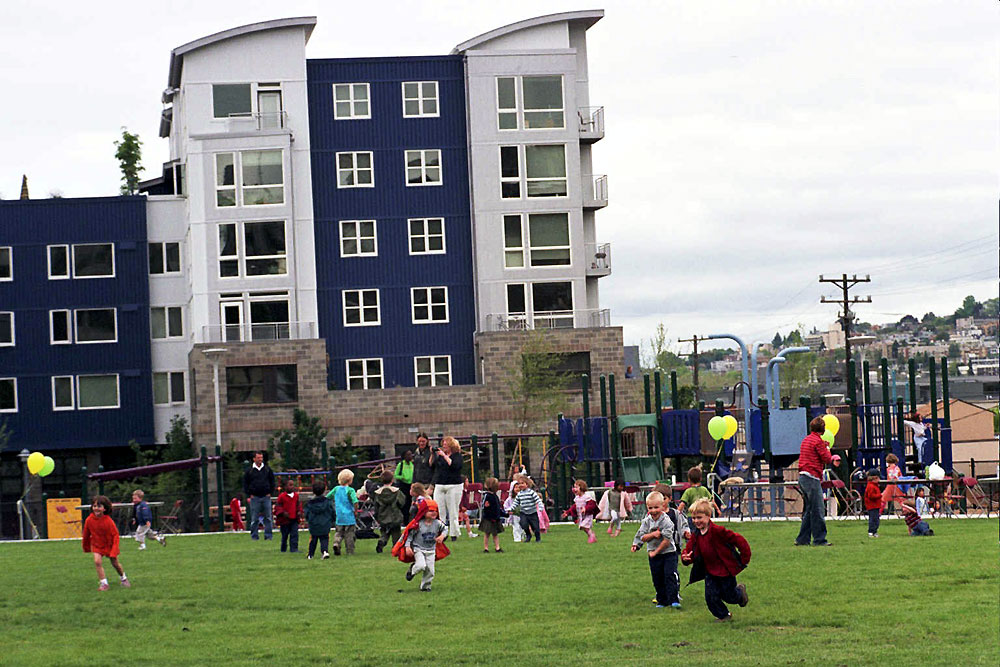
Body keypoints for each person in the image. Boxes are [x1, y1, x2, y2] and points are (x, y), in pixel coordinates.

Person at [680, 498, 751, 621]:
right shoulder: (695, 536)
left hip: (725, 570)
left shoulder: (718, 531)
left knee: (729, 596)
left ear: (708, 516)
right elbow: (689, 550)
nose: (696, 521)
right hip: (710, 572)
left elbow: (738, 540)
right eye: (694, 518)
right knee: (711, 596)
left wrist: (744, 558)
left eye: (699, 517)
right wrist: (685, 558)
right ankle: (724, 615)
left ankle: (740, 594)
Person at [795, 416, 841, 547]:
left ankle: (802, 539)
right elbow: (827, 459)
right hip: (812, 477)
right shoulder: (818, 441)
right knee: (818, 510)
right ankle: (819, 539)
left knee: (810, 509)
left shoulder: (806, 440)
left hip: (803, 477)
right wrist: (828, 449)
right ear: (823, 428)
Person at [631, 491, 679, 609]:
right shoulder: (647, 521)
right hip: (654, 555)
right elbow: (642, 535)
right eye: (650, 508)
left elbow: (666, 541)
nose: (653, 511)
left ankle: (673, 600)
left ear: (663, 506)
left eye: (656, 507)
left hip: (668, 553)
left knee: (669, 575)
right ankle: (662, 600)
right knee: (657, 577)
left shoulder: (667, 522)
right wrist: (637, 544)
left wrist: (655, 552)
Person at [399, 499, 449, 592]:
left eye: (435, 511)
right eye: (430, 511)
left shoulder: (437, 523)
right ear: (424, 511)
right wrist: (407, 547)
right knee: (421, 566)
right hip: (419, 549)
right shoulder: (418, 524)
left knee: (430, 570)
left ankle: (425, 587)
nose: (433, 513)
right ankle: (412, 571)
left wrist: (442, 536)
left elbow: (445, 529)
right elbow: (409, 536)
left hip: (431, 550)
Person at [83, 495, 130, 591]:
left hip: (109, 545)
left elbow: (115, 535)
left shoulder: (108, 521)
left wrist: (114, 550)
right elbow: (86, 534)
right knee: (97, 562)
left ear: (104, 508)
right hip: (97, 545)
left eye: (99, 506)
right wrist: (86, 546)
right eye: (94, 506)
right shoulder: (89, 520)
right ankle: (104, 583)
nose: (96, 508)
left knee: (115, 563)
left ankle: (123, 578)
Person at [431, 436, 465, 541]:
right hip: (440, 484)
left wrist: (445, 456)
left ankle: (454, 533)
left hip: (453, 485)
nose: (444, 446)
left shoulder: (457, 456)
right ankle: (442, 533)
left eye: (446, 444)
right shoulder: (440, 456)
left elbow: (454, 466)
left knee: (453, 510)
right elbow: (432, 465)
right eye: (443, 444)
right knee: (439, 510)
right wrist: (433, 454)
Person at [243, 451, 276, 541]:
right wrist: (249, 494)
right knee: (254, 518)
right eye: (258, 458)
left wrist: (270, 492)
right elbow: (245, 484)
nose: (260, 459)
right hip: (255, 497)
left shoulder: (267, 470)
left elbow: (272, 481)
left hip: (266, 496)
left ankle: (268, 536)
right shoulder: (249, 471)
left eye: (261, 458)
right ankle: (254, 536)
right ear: (254, 459)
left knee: (268, 518)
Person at [327, 469, 359, 556]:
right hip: (349, 516)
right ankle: (350, 551)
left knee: (339, 532)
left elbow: (327, 497)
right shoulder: (350, 490)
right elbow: (355, 501)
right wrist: (355, 510)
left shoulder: (336, 489)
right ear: (349, 480)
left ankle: (336, 543)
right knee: (349, 535)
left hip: (339, 515)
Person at [373, 469, 405, 553]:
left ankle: (382, 541)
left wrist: (377, 516)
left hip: (383, 516)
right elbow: (402, 502)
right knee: (396, 534)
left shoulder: (378, 493)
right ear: (392, 479)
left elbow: (376, 506)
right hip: (395, 516)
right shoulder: (397, 492)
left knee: (384, 533)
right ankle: (396, 547)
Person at [304, 481, 334, 560]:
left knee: (313, 539)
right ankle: (324, 551)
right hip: (325, 523)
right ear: (324, 490)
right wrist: (333, 519)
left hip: (314, 524)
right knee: (324, 538)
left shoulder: (310, 504)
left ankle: (310, 554)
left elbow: (306, 513)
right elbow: (332, 511)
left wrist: (309, 520)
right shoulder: (328, 502)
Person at [274, 479, 302, 553]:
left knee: (294, 534)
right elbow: (278, 506)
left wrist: (299, 511)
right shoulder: (282, 496)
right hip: (285, 520)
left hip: (294, 519)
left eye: (293, 485)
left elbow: (298, 505)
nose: (292, 487)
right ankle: (283, 548)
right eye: (290, 485)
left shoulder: (296, 495)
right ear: (285, 487)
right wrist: (282, 512)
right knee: (285, 535)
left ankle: (294, 548)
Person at [478, 477, 505, 553]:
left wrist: (504, 514)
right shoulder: (487, 496)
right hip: (488, 518)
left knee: (495, 534)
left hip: (495, 518)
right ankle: (486, 548)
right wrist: (486, 508)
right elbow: (483, 506)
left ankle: (497, 547)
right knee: (487, 533)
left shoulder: (495, 496)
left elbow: (497, 508)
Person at [395, 449, 415, 519]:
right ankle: (404, 519)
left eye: (411, 454)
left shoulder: (412, 464)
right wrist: (402, 477)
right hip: (403, 485)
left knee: (410, 502)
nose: (410, 456)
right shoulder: (401, 464)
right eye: (408, 455)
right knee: (404, 503)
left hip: (411, 485)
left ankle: (409, 518)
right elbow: (396, 475)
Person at [863, 470, 883, 538]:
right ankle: (871, 531)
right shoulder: (871, 486)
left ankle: (875, 531)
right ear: (874, 478)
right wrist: (879, 495)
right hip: (872, 506)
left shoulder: (875, 485)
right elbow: (871, 496)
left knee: (876, 519)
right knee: (873, 519)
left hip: (876, 505)